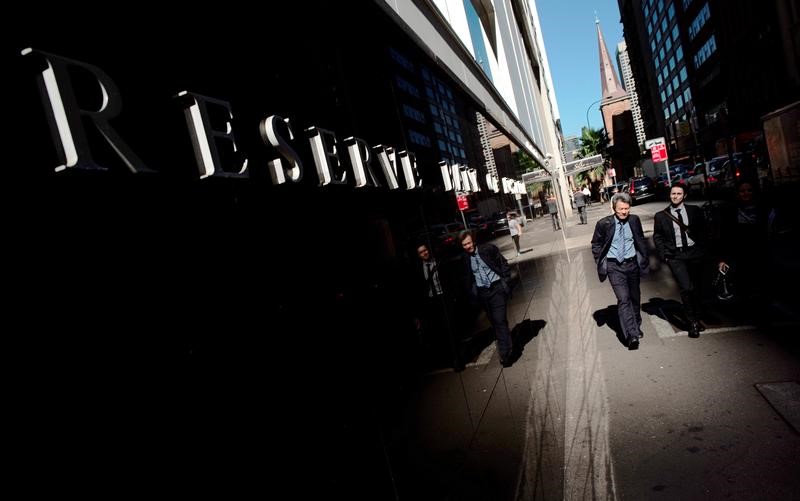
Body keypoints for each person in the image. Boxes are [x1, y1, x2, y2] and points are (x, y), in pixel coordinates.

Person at [591, 192, 650, 350]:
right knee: (623, 299)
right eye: (620, 209)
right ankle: (631, 335)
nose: (624, 212)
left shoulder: (634, 220)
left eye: (626, 208)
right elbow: (596, 244)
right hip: (614, 266)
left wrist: (643, 259)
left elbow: (640, 240)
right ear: (613, 208)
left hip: (632, 265)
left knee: (635, 297)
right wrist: (600, 260)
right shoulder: (604, 224)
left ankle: (636, 325)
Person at [653, 183, 707, 338]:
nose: (675, 196)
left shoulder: (694, 211)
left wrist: (703, 250)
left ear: (685, 196)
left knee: (696, 288)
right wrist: (665, 255)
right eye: (673, 193)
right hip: (676, 256)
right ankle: (692, 323)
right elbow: (658, 236)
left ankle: (696, 316)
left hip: (694, 254)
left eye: (678, 193)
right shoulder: (661, 216)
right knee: (686, 287)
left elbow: (703, 231)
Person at [458, 230, 515, 367]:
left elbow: (503, 263)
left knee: (500, 319)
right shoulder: (465, 258)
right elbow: (467, 278)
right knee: (496, 323)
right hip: (483, 293)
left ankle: (505, 354)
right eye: (464, 245)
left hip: (496, 289)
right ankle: (506, 345)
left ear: (474, 241)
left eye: (469, 243)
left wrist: (505, 280)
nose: (468, 246)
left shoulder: (487, 249)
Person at [715, 180, 773, 302]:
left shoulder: (764, 210)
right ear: (737, 193)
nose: (746, 193)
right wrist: (722, 259)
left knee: (763, 288)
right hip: (739, 257)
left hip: (761, 254)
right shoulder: (729, 212)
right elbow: (724, 237)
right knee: (743, 289)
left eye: (749, 190)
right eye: (742, 191)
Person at [412, 242, 462, 370]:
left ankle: (457, 359)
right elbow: (419, 289)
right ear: (418, 255)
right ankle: (450, 356)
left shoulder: (439, 262)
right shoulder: (418, 269)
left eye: (425, 250)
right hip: (432, 302)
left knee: (451, 327)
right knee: (441, 330)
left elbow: (451, 279)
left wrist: (453, 296)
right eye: (421, 252)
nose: (425, 253)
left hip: (444, 297)